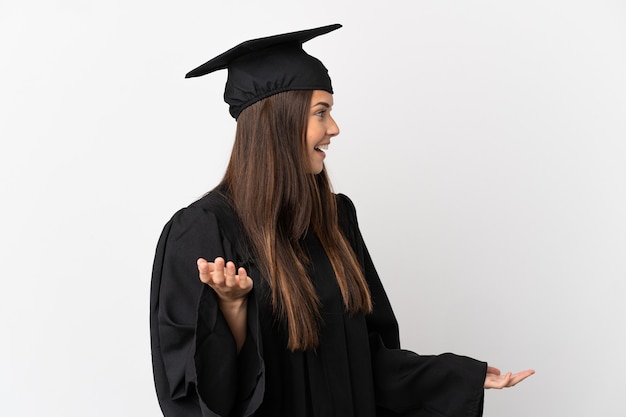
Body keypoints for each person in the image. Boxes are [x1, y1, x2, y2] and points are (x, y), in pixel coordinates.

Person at [149, 23, 534, 417]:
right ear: (279, 122)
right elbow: (194, 397)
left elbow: (367, 361)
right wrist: (231, 311)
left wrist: (459, 377)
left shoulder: (335, 220)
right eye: (321, 112)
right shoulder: (202, 231)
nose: (334, 128)